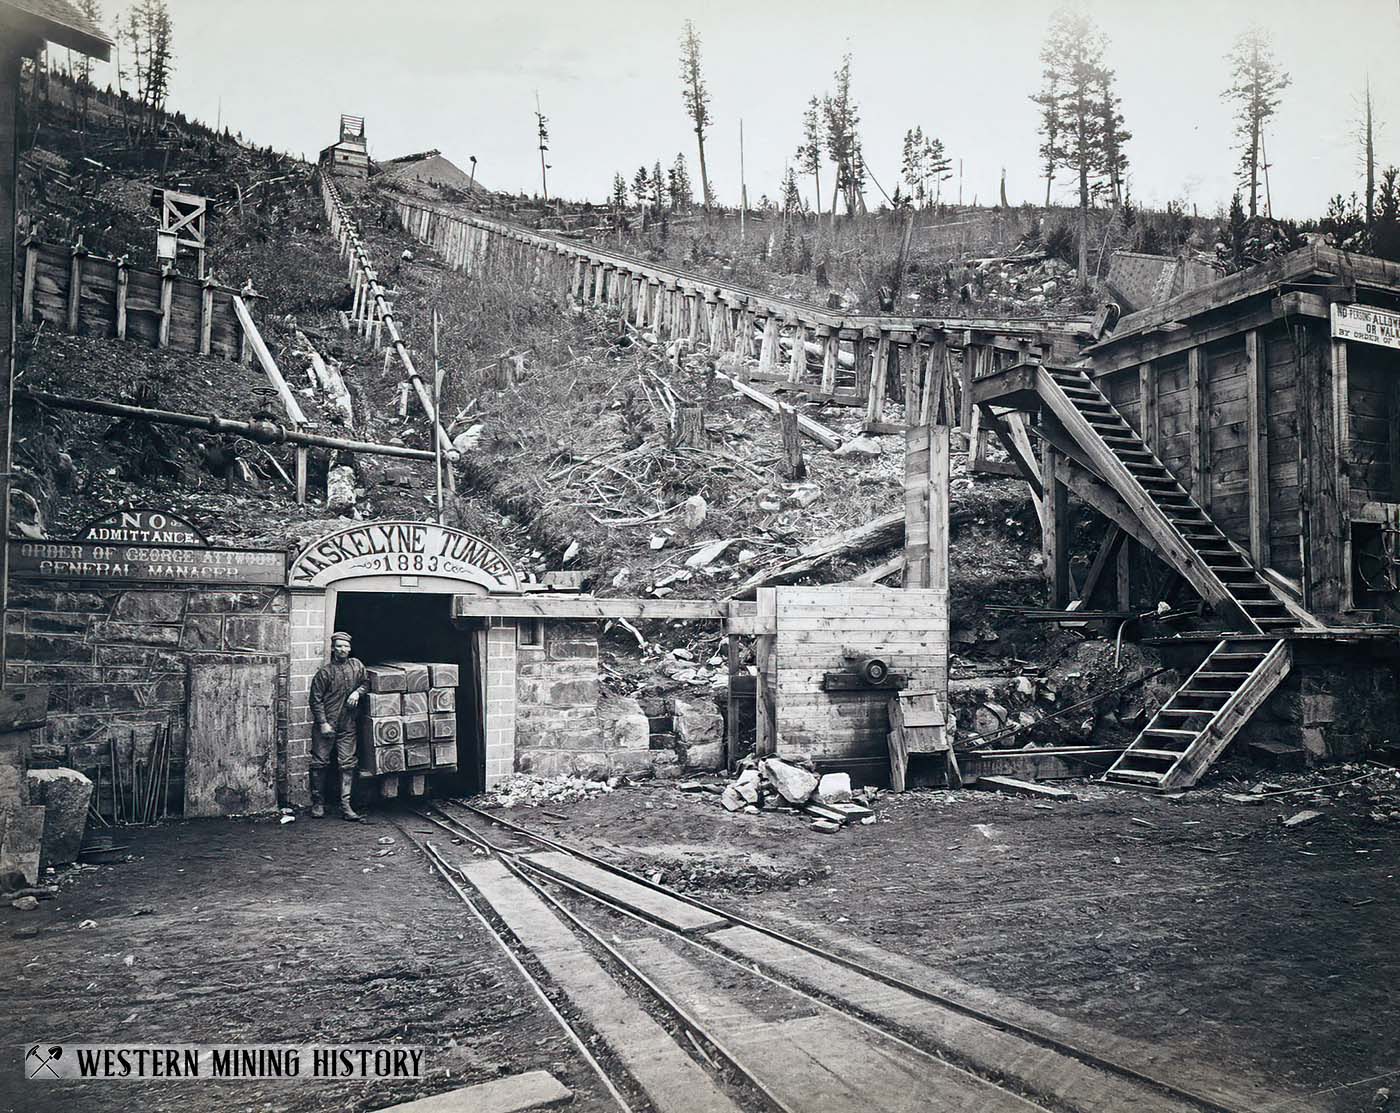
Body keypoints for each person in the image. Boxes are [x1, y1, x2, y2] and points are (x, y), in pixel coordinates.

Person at [308, 631, 367, 821]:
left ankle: (346, 806)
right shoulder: (325, 673)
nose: (343, 649)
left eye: (346, 646)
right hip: (327, 724)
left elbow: (366, 682)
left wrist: (358, 692)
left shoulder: (357, 666)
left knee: (347, 764)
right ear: (333, 649)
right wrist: (323, 723)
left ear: (350, 648)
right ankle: (318, 803)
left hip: (347, 724)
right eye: (339, 646)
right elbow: (315, 700)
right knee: (319, 763)